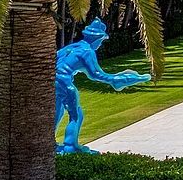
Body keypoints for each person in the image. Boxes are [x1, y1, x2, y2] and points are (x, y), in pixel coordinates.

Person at [53, 18, 150, 153]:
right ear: (97, 39)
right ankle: (70, 146)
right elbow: (96, 74)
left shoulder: (73, 46)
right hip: (64, 82)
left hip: (52, 80)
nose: (100, 44)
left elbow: (55, 58)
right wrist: (116, 79)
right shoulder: (87, 51)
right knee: (76, 115)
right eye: (101, 40)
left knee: (57, 111)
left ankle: (50, 142)